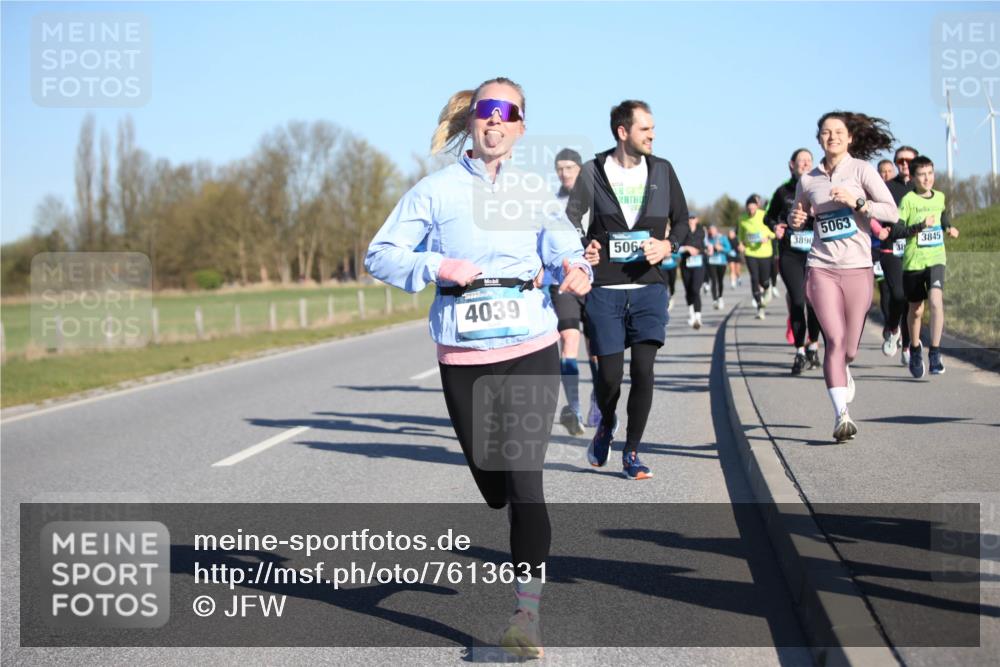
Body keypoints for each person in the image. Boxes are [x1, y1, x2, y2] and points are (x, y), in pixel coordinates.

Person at [365, 77, 592, 658]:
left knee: (525, 481)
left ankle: (526, 616)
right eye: (486, 109)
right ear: (472, 121)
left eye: (506, 112)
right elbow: (380, 254)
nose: (495, 119)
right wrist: (438, 265)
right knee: (494, 485)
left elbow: (564, 246)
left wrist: (575, 268)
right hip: (464, 354)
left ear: (520, 127)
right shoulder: (434, 191)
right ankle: (501, 497)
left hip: (531, 343)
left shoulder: (533, 189)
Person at [567, 99, 689, 480]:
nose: (652, 135)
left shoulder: (663, 170)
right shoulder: (592, 171)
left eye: (653, 128)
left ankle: (632, 452)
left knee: (644, 370)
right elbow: (570, 220)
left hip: (649, 287)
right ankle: (606, 422)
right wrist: (583, 247)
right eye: (645, 129)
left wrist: (667, 246)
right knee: (609, 377)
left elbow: (682, 223)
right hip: (605, 288)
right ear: (623, 132)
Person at [789, 111, 898, 442]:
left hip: (858, 268)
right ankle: (841, 415)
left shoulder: (861, 170)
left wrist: (858, 202)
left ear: (849, 138)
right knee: (834, 341)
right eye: (826, 132)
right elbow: (799, 213)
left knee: (849, 348)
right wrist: (796, 219)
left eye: (838, 132)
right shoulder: (808, 180)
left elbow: (891, 211)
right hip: (821, 267)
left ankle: (845, 367)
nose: (832, 136)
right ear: (819, 139)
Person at [548, 148, 602, 433]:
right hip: (564, 282)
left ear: (580, 170)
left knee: (596, 349)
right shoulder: (551, 203)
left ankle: (597, 400)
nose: (564, 173)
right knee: (568, 339)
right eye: (560, 169)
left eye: (569, 168)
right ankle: (575, 410)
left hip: (595, 282)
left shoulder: (597, 199)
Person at [895, 156, 960, 377]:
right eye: (922, 175)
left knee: (935, 301)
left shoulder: (940, 196)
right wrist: (921, 225)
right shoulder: (908, 201)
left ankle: (935, 352)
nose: (927, 178)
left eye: (930, 173)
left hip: (936, 258)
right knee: (916, 310)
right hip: (913, 262)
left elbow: (942, 215)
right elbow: (898, 231)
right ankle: (915, 349)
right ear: (913, 177)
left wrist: (948, 227)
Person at [766, 148, 823, 374]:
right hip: (790, 254)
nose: (806, 164)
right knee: (798, 301)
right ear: (792, 165)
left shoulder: (820, 188)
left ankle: (814, 346)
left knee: (814, 302)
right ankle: (799, 351)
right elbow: (768, 216)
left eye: (809, 161)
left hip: (816, 253)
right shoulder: (783, 192)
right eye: (801, 161)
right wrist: (775, 227)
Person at [882, 145, 919, 364]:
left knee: (910, 300)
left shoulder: (921, 187)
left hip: (915, 251)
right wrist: (880, 228)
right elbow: (873, 213)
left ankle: (907, 347)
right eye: (900, 161)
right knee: (897, 294)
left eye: (909, 160)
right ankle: (893, 328)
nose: (904, 164)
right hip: (891, 249)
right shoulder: (886, 187)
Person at [738, 194, 776, 319]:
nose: (751, 211)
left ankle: (768, 288)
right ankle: (760, 306)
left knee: (764, 281)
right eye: (749, 209)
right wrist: (741, 244)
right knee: (754, 278)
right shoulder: (742, 219)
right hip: (750, 253)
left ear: (757, 207)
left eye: (753, 208)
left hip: (765, 253)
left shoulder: (764, 215)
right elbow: (741, 235)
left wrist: (768, 237)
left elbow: (774, 232)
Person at [678, 215, 708, 329]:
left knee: (695, 289)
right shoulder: (682, 232)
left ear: (697, 220)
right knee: (688, 290)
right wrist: (687, 248)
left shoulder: (702, 232)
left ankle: (698, 317)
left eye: (693, 218)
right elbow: (676, 247)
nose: (691, 220)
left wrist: (707, 249)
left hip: (699, 265)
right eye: (689, 218)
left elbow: (705, 245)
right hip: (686, 265)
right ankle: (691, 313)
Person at [705, 224, 732, 309]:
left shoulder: (722, 238)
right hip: (711, 262)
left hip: (721, 262)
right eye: (710, 230)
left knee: (720, 280)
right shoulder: (707, 239)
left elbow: (729, 249)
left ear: (716, 230)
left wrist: (721, 248)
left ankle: (720, 297)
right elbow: (702, 248)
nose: (712, 232)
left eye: (713, 230)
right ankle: (714, 300)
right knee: (713, 280)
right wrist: (706, 250)